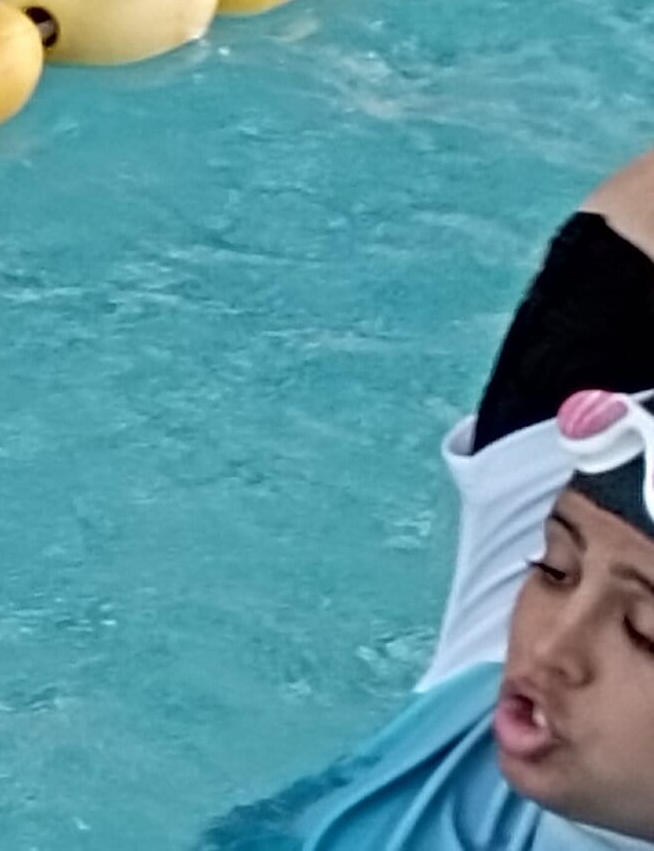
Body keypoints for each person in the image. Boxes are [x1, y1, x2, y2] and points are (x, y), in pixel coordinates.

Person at [237, 142, 654, 847]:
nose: (550, 648)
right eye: (553, 568)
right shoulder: (492, 684)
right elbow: (630, 235)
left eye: (646, 631)